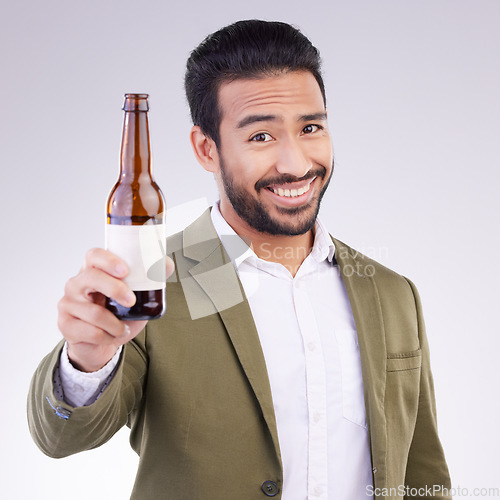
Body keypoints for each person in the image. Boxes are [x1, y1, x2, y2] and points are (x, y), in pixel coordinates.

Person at [28, 20, 452, 500]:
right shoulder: (155, 281)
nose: (295, 164)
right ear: (207, 149)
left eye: (310, 127)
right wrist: (85, 360)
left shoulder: (392, 292)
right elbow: (62, 437)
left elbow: (423, 472)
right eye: (261, 138)